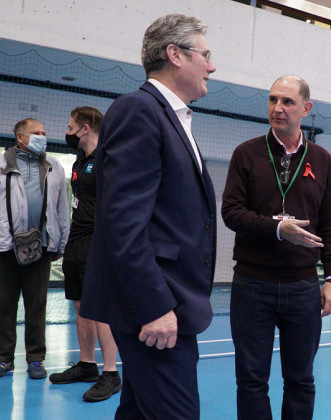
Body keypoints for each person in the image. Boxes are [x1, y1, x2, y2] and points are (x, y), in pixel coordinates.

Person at [79, 14, 216, 419]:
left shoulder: (170, 116)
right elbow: (123, 223)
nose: (211, 65)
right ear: (175, 54)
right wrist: (154, 306)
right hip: (156, 308)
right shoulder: (139, 110)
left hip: (167, 302)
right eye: (205, 55)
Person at [222, 75, 331, 420]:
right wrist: (277, 229)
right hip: (251, 284)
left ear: (306, 108)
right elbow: (231, 213)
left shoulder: (322, 159)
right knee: (251, 380)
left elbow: (329, 224)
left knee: (301, 379)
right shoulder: (246, 153)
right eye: (273, 100)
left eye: (287, 102)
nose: (278, 108)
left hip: (303, 288)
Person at [48, 106, 121, 402]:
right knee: (81, 307)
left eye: (70, 126)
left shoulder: (109, 159)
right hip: (77, 239)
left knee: (101, 307)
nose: (67, 132)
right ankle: (87, 365)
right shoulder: (81, 160)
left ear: (86, 127)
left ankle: (111, 373)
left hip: (98, 240)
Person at [0, 118, 69, 379]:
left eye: (44, 132)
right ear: (20, 137)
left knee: (36, 305)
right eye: (36, 133)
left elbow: (62, 207)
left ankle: (36, 359)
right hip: (5, 247)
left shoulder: (54, 166)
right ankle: (4, 358)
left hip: (40, 248)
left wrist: (60, 242)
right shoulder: (2, 165)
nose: (43, 136)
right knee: (3, 305)